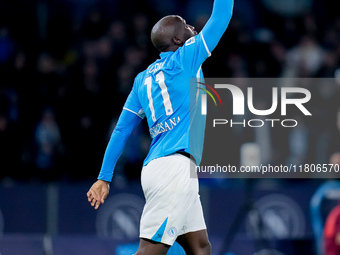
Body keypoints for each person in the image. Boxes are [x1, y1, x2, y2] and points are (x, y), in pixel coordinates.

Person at [87, 0, 233, 254]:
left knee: (200, 248)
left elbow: (121, 130)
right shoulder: (188, 57)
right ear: (178, 39)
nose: (193, 28)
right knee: (150, 250)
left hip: (161, 167)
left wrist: (104, 177)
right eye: (186, 26)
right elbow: (222, 15)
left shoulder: (142, 79)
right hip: (173, 171)